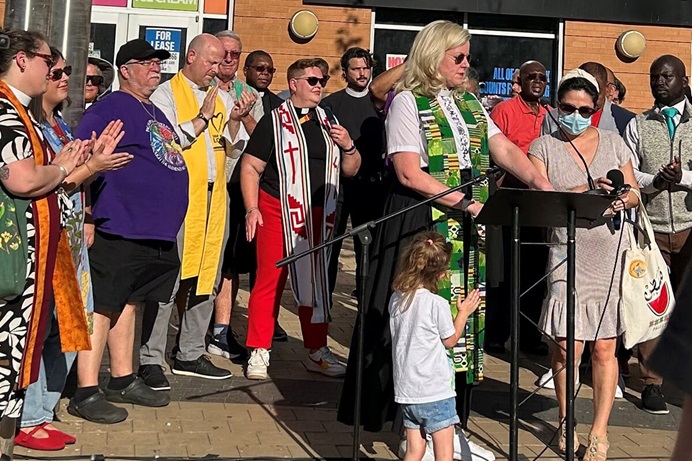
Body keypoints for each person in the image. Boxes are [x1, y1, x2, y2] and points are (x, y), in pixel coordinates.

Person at [337, 21, 553, 453]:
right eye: (459, 57)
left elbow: (505, 149)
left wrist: (541, 185)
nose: (466, 64)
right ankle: (409, 427)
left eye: (468, 56)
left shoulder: (470, 102)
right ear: (433, 56)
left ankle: (449, 427)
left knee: (461, 324)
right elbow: (407, 171)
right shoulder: (407, 103)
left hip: (466, 228)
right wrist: (467, 203)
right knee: (415, 327)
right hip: (420, 224)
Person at [17, 47, 131, 450]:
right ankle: (27, 417)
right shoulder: (28, 125)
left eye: (69, 71)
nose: (66, 77)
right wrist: (92, 167)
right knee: (45, 327)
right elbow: (45, 183)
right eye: (57, 70)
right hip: (46, 241)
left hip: (71, 240)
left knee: (70, 328)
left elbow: (72, 184)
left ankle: (42, 413)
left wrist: (89, 183)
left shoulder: (62, 126)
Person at [69, 38, 188, 424]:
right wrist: (87, 215)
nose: (156, 67)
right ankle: (85, 389)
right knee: (103, 304)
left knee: (131, 301)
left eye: (158, 62)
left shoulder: (152, 108)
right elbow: (81, 157)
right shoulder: (111, 107)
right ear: (125, 69)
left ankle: (122, 377)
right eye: (147, 62)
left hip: (153, 232)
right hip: (119, 225)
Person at [528, 69, 640, 461]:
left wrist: (623, 196)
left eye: (584, 110)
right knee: (565, 346)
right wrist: (586, 189)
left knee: (604, 348)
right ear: (557, 107)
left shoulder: (613, 141)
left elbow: (635, 194)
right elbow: (540, 197)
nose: (575, 115)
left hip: (608, 253)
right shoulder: (542, 146)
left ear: (597, 110)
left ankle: (599, 433)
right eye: (567, 108)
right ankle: (565, 420)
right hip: (565, 252)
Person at [241, 58, 361, 380]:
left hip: (320, 214)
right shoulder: (273, 121)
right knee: (270, 279)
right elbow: (250, 167)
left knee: (316, 282)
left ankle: (316, 349)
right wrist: (252, 208)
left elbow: (352, 169)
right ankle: (259, 350)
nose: (319, 85)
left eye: (322, 80)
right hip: (277, 207)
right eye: (312, 80)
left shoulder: (328, 120)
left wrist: (349, 146)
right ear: (293, 84)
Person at [142, 33, 251, 384]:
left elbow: (232, 148)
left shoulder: (217, 94)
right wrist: (204, 116)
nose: (217, 69)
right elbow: (170, 141)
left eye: (222, 62)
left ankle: (189, 352)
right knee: (170, 281)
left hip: (215, 198)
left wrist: (235, 119)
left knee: (208, 278)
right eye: (212, 62)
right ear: (191, 57)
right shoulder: (166, 94)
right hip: (180, 198)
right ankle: (151, 359)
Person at [0, 29, 90, 430]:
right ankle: (23, 420)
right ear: (22, 59)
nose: (52, 70)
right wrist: (64, 168)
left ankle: (27, 418)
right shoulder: (6, 111)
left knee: (38, 339)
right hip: (13, 257)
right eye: (46, 62)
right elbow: (21, 179)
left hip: (39, 253)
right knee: (9, 347)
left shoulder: (21, 111)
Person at [623, 54, 692, 416]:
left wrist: (682, 178)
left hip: (690, 225)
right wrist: (655, 181)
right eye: (654, 77)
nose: (659, 82)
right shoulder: (638, 123)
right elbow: (630, 171)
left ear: (683, 80)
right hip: (650, 226)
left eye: (666, 76)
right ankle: (651, 382)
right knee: (654, 304)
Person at [389, 231, 481, 461]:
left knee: (414, 449)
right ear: (441, 274)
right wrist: (463, 313)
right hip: (435, 391)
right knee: (444, 454)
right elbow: (450, 340)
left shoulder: (397, 298)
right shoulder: (436, 303)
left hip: (407, 391)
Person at [485, 60, 550, 357]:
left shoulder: (551, 115)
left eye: (542, 78)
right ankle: (497, 334)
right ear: (519, 81)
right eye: (531, 77)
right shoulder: (505, 111)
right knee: (505, 272)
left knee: (535, 273)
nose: (537, 81)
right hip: (509, 200)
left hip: (539, 205)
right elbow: (495, 156)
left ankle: (528, 335)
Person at [323, 47, 385, 299]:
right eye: (356, 68)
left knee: (366, 246)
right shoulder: (331, 104)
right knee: (331, 244)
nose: (362, 73)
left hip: (371, 186)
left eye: (366, 68)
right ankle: (323, 300)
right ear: (345, 73)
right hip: (338, 185)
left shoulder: (379, 103)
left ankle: (366, 297)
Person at [543, 62, 635, 136]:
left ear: (607, 89)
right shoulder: (551, 117)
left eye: (596, 92)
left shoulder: (626, 121)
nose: (591, 98)